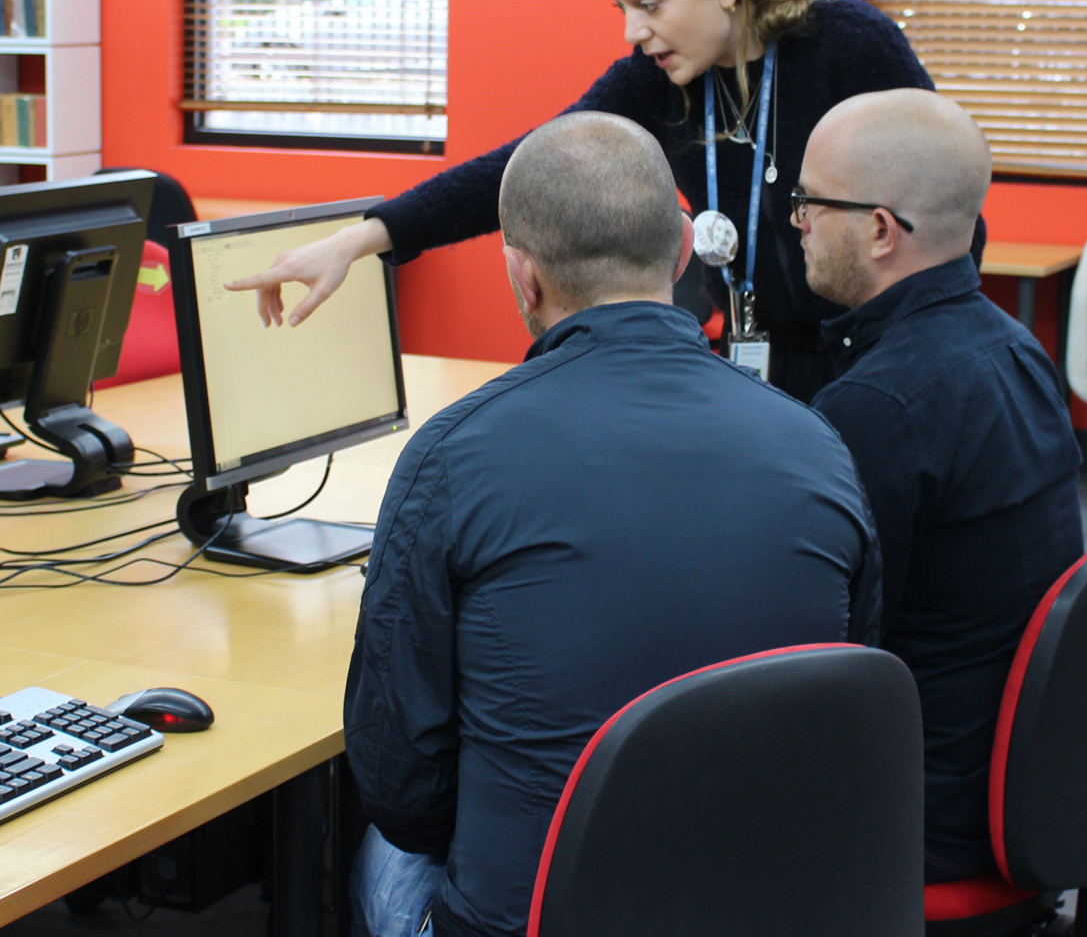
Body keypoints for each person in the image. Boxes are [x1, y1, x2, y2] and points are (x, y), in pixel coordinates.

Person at [343, 111, 882, 937]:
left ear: (521, 276)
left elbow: (400, 784)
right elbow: (849, 693)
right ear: (678, 255)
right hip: (769, 906)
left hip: (532, 920)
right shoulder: (818, 444)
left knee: (382, 852)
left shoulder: (453, 455)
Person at [228, 0, 959, 402]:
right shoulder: (659, 79)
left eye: (649, 4)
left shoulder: (847, 45)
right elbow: (526, 168)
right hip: (755, 371)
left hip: (877, 371)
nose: (633, 31)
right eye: (620, 7)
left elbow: (945, 217)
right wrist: (361, 239)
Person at [795, 88, 1084, 884]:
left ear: (880, 230)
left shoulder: (878, 406)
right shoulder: (1015, 348)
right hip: (1006, 776)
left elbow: (821, 649)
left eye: (809, 203)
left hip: (916, 817)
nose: (798, 225)